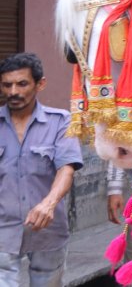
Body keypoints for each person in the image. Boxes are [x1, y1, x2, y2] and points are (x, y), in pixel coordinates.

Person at [0, 53, 83, 287]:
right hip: (3, 231)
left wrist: (48, 204)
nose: (13, 91)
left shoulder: (61, 121)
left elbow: (66, 168)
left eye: (22, 84)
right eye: (7, 85)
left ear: (40, 84)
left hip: (48, 231)